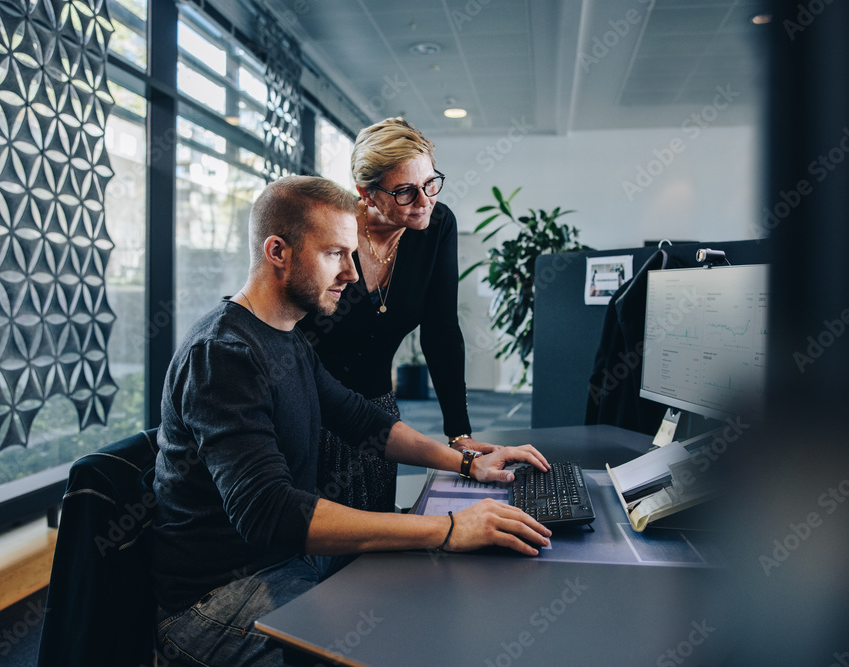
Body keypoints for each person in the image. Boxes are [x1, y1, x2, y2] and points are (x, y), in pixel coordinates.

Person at [152, 175, 552, 667]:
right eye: (335, 255)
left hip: (290, 559)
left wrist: (470, 462)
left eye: (352, 254)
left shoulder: (287, 335)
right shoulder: (223, 354)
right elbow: (269, 511)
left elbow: (363, 421)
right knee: (396, 641)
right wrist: (447, 527)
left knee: (440, 582)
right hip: (221, 596)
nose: (352, 274)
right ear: (278, 251)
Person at [298, 117, 496, 514]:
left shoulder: (437, 226)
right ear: (366, 194)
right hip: (310, 409)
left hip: (377, 412)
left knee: (376, 532)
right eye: (405, 192)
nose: (424, 201)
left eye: (430, 184)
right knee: (316, 540)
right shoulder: (331, 232)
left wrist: (459, 433)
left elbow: (440, 331)